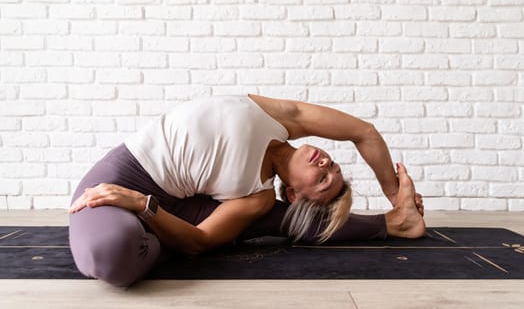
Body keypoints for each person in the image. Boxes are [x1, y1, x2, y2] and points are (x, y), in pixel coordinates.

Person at [69, 94, 425, 287]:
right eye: (332, 167)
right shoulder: (284, 116)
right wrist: (394, 192)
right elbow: (364, 132)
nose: (325, 166)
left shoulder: (258, 198)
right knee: (108, 251)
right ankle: (398, 217)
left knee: (116, 255)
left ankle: (396, 223)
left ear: (295, 195)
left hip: (159, 208)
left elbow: (198, 241)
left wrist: (143, 206)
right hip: (124, 176)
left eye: (322, 181)